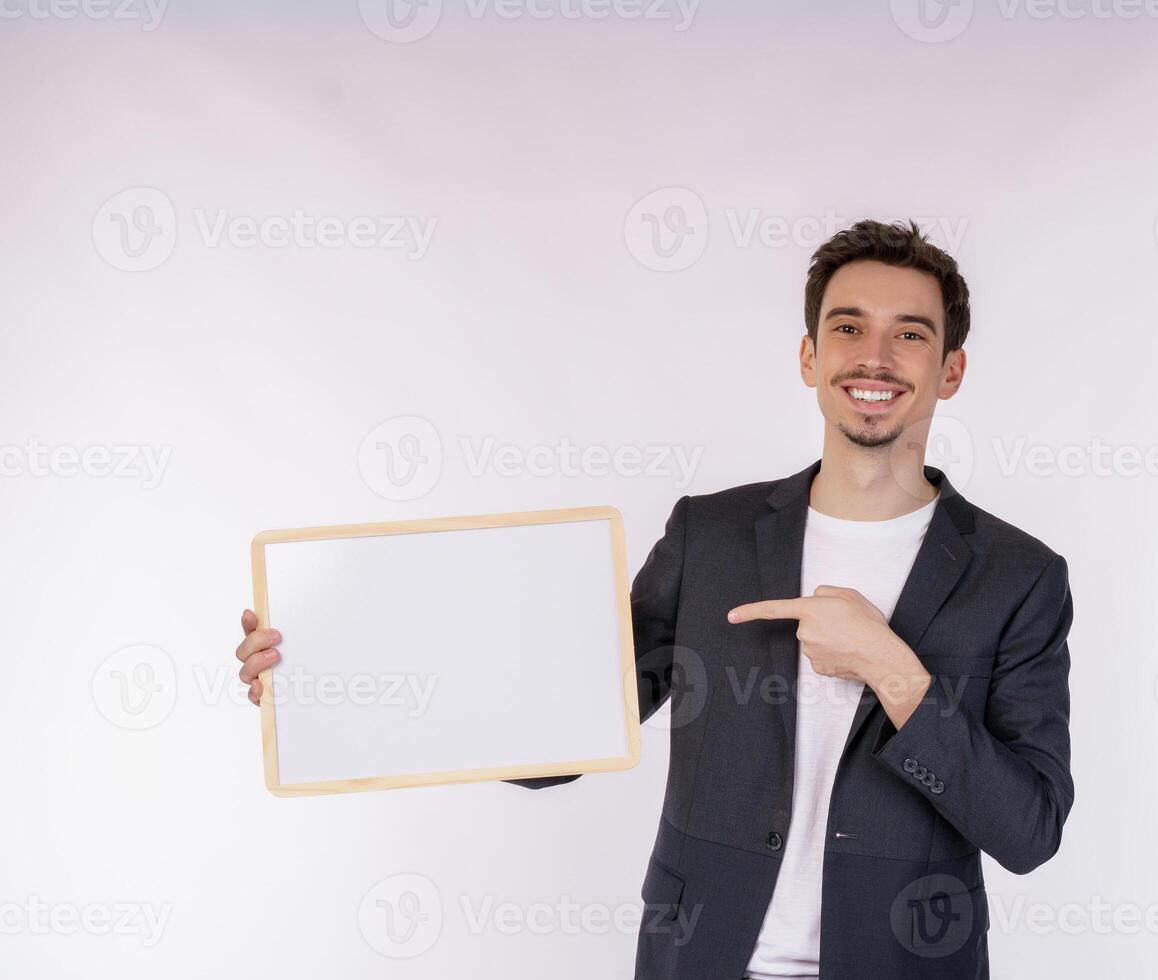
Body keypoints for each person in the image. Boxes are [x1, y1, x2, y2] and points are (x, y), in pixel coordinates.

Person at [235, 218, 1075, 979]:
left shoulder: (1020, 576)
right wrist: (332, 677)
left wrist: (892, 670)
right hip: (700, 958)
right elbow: (570, 728)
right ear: (810, 357)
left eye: (911, 335)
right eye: (848, 328)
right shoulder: (713, 535)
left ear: (952, 369)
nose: (874, 358)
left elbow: (1029, 831)